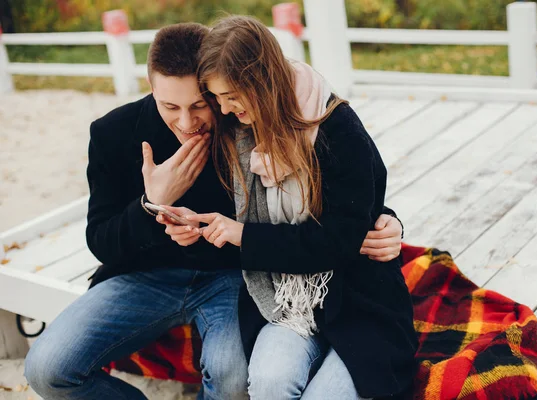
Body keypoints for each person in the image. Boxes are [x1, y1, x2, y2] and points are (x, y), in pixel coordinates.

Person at [23, 22, 405, 400]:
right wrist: (151, 204)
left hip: (230, 276)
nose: (188, 123)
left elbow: (323, 180)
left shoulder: (238, 119)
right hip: (145, 277)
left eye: (199, 105)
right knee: (47, 369)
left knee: (233, 379)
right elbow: (100, 241)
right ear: (151, 87)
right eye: (170, 106)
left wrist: (385, 217)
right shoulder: (113, 133)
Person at [161, 16, 418, 400]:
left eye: (231, 96)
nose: (225, 109)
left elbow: (342, 233)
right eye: (217, 98)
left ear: (262, 79)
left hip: (356, 297)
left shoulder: (335, 126)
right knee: (268, 385)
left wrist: (242, 234)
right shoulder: (236, 130)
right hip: (283, 301)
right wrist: (160, 200)